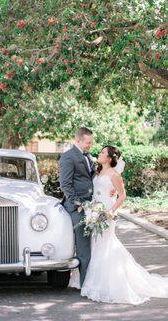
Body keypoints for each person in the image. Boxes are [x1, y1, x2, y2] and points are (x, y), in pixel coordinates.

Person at [69, 145, 168, 305]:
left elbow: (122, 195)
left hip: (107, 211)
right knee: (93, 244)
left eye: (102, 153)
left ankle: (104, 283)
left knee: (105, 244)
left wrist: (111, 211)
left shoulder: (114, 175)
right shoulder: (97, 170)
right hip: (94, 209)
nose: (99, 154)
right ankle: (89, 279)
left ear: (109, 158)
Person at [59, 127, 115, 287]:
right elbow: (65, 185)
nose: (91, 145)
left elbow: (97, 176)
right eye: (88, 142)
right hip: (78, 208)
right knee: (84, 248)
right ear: (78, 141)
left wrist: (109, 187)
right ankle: (86, 285)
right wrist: (79, 204)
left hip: (93, 206)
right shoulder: (68, 157)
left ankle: (90, 281)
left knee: (94, 245)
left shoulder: (88, 156)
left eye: (91, 142)